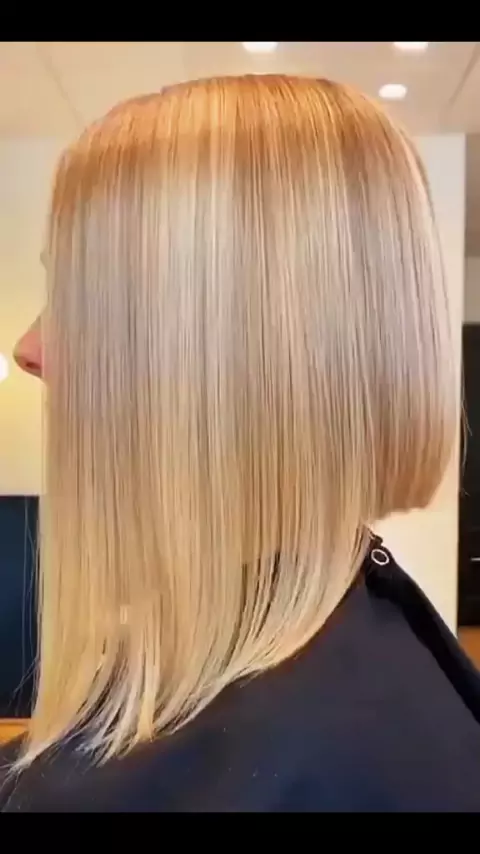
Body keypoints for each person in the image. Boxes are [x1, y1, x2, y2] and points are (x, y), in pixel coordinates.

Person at [1, 73, 480, 813]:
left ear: (232, 353)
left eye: (78, 293)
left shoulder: (295, 760)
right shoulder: (339, 663)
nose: (29, 349)